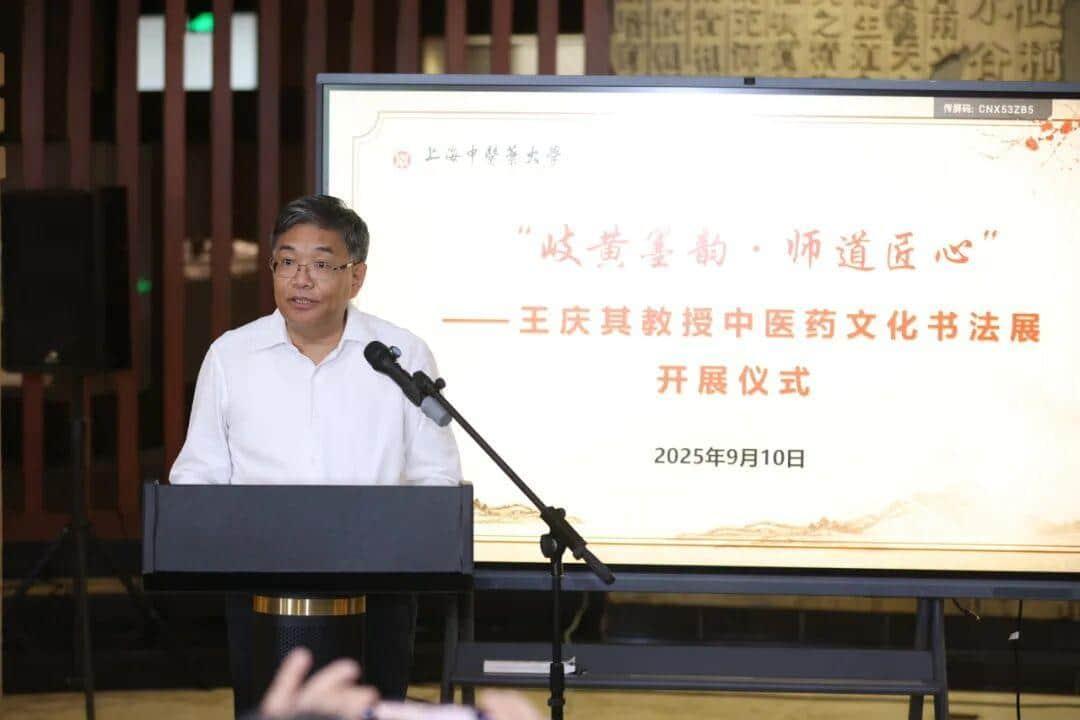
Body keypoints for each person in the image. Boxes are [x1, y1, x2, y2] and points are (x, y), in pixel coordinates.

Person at [170, 194, 463, 716]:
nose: (300, 280)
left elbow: (436, 475)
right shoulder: (231, 355)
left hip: (378, 592)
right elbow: (198, 473)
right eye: (287, 262)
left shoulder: (400, 355)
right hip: (261, 589)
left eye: (321, 265)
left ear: (357, 276)